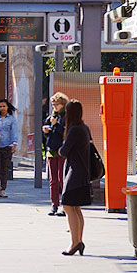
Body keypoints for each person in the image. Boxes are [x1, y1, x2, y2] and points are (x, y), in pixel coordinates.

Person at [58, 99, 92, 256]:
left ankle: (75, 242)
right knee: (75, 207)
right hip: (82, 171)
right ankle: (78, 240)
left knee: (68, 205)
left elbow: (64, 151)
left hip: (75, 172)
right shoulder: (84, 128)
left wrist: (60, 149)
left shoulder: (74, 130)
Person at [42, 92, 69, 216]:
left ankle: (65, 205)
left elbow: (65, 132)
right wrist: (46, 131)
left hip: (62, 150)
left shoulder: (66, 117)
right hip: (51, 150)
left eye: (56, 104)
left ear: (62, 104)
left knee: (63, 179)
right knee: (53, 180)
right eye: (52, 104)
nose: (54, 107)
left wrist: (56, 125)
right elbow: (48, 134)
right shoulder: (51, 116)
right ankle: (54, 205)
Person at [0, 99, 18, 198]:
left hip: (7, 145)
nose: (2, 108)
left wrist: (14, 144)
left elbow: (14, 131)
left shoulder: (11, 119)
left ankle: (3, 189)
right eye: (0, 106)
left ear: (7, 107)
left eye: (4, 106)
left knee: (5, 168)